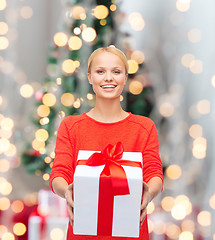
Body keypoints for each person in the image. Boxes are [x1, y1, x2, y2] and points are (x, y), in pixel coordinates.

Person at [50, 46, 164, 240]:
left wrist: (148, 193)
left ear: (125, 77)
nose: (108, 78)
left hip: (131, 233)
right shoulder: (71, 126)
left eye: (116, 72)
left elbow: (154, 173)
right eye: (100, 71)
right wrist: (67, 191)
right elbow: (59, 173)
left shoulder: (144, 127)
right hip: (83, 233)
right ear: (89, 77)